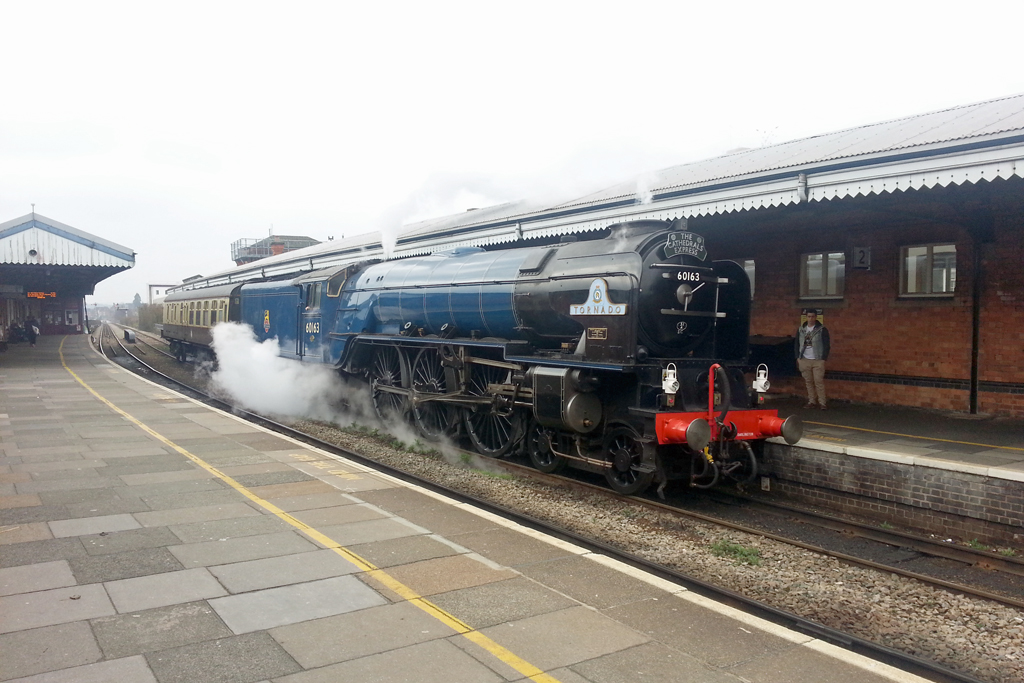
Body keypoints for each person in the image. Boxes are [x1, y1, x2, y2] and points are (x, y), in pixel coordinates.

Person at [795, 309, 830, 409]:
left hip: (817, 359)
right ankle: (811, 401)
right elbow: (797, 343)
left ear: (816, 317)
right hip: (804, 358)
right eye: (809, 316)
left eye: (812, 316)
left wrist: (823, 358)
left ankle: (822, 402)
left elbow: (826, 344)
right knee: (808, 381)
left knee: (818, 381)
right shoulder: (801, 329)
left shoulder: (822, 329)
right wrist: (798, 357)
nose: (810, 319)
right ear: (806, 317)